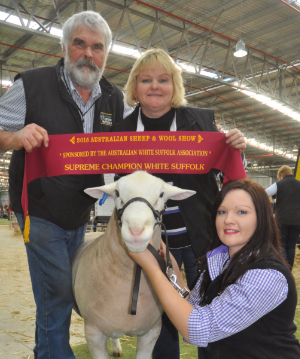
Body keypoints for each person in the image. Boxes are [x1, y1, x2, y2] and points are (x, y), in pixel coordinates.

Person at [0, 11, 132, 359]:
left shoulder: (113, 100)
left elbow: (140, 143)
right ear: (64, 47)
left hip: (80, 214)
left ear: (106, 54)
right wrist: (15, 136)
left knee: (62, 294)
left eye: (97, 47)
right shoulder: (32, 84)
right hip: (39, 209)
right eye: (80, 44)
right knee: (58, 293)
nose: (89, 54)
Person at [112, 48, 247, 359]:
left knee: (211, 312)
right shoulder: (120, 131)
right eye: (146, 80)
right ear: (135, 88)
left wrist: (235, 148)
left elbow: (223, 169)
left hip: (202, 239)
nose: (155, 86)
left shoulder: (201, 121)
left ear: (174, 86)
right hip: (154, 242)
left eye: (163, 79)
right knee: (161, 318)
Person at [129, 178, 300, 358]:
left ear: (262, 218)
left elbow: (198, 329)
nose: (228, 220)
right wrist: (170, 271)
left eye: (242, 212)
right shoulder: (220, 260)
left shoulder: (267, 275)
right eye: (222, 212)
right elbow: (192, 309)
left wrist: (152, 269)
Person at [266, 165, 300, 268]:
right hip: (297, 221)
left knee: (282, 245)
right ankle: (289, 270)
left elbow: (264, 193)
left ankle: (283, 268)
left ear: (281, 175)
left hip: (282, 220)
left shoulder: (279, 184)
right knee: (291, 246)